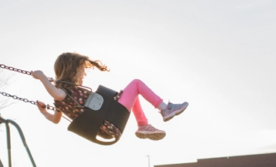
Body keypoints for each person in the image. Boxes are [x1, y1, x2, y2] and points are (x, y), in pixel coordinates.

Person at [32, 52, 188, 141]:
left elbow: (55, 120)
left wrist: (43, 112)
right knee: (136, 84)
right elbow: (57, 94)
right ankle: (165, 109)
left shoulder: (65, 98)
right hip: (109, 120)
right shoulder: (65, 93)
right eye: (82, 70)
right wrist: (42, 78)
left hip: (107, 125)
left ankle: (143, 124)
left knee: (131, 93)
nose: (84, 74)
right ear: (72, 71)